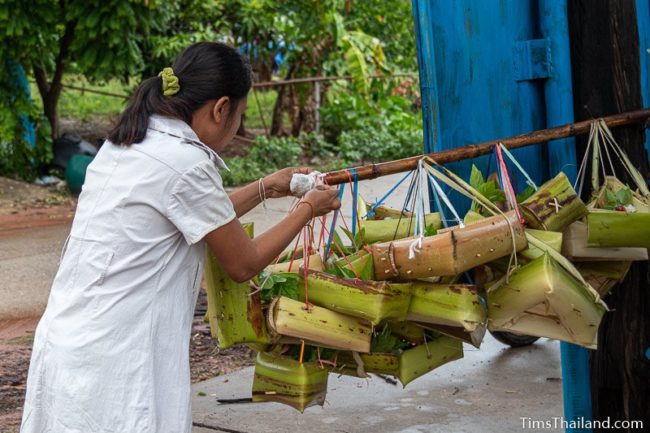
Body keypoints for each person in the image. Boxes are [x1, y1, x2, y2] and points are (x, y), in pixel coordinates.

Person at [21, 42, 341, 433]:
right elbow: (243, 263)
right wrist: (308, 208)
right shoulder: (186, 163)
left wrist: (265, 187)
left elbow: (196, 212)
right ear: (221, 108)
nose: (237, 126)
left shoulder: (129, 141)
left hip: (71, 339)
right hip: (117, 356)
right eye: (239, 116)